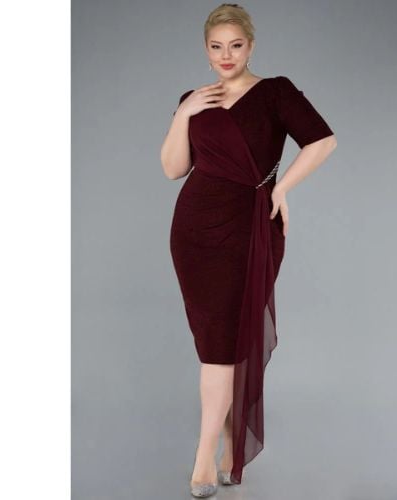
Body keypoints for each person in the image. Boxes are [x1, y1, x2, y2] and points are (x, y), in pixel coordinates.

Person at [160, 3, 337, 497]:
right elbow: (173, 169)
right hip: (193, 231)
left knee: (224, 343)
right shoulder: (194, 98)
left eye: (235, 46)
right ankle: (226, 447)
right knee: (215, 340)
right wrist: (184, 113)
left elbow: (322, 141)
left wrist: (281, 188)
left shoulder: (275, 92)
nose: (226, 55)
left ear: (251, 47)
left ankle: (205, 458)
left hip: (248, 227)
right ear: (205, 49)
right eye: (216, 47)